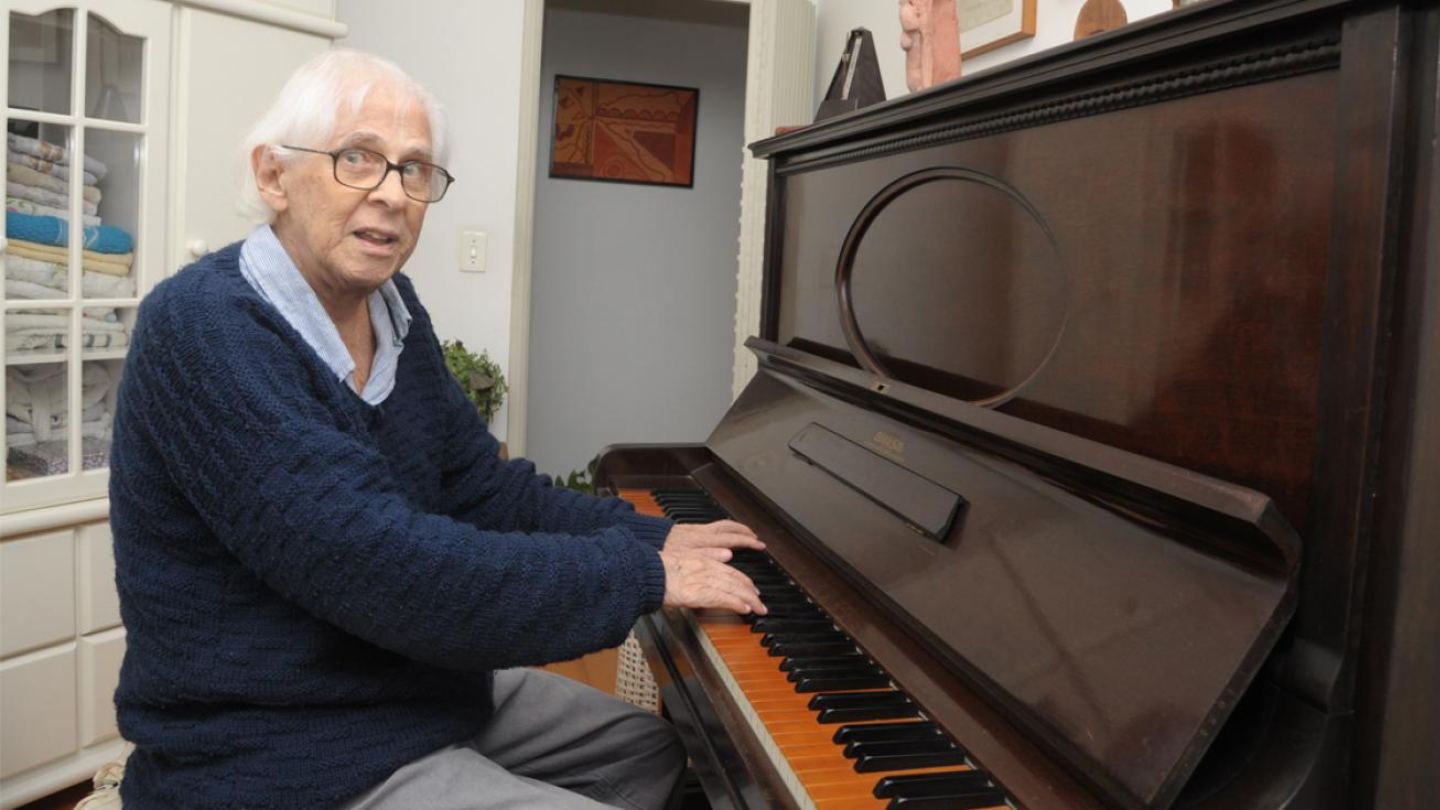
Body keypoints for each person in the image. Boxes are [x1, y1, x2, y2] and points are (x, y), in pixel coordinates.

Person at [109, 49, 766, 810]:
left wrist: (652, 537)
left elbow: (479, 488)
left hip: (402, 686)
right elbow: (383, 568)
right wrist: (641, 576)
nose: (392, 194)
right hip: (273, 746)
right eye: (359, 158)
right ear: (272, 175)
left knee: (648, 751)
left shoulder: (392, 309)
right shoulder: (203, 328)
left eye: (416, 169)